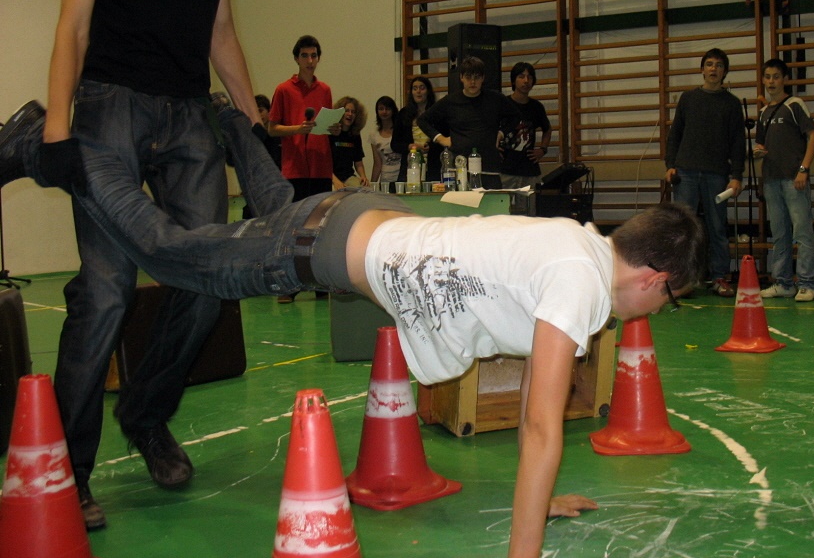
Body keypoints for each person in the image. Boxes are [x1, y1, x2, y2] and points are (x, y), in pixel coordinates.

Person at [0, 99, 704, 558]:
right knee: (167, 253)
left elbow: (532, 406)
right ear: (655, 279)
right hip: (326, 245)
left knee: (266, 214)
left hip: (355, 218)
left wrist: (541, 502)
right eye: (668, 301)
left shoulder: (578, 243)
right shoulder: (582, 286)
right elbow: (545, 427)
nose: (656, 313)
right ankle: (38, 140)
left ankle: (228, 120)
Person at [38, 0, 254, 530]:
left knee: (206, 281)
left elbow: (221, 32)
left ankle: (145, 412)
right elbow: (72, 26)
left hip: (190, 116)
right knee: (105, 293)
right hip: (110, 112)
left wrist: (251, 123)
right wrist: (59, 126)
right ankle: (67, 471)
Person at [664, 48, 746, 297]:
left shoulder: (732, 104)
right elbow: (675, 134)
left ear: (724, 72)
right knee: (683, 229)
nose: (713, 69)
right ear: (702, 69)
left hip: (717, 174)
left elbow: (738, 142)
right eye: (709, 64)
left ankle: (719, 276)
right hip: (686, 172)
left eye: (719, 65)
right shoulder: (688, 98)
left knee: (717, 228)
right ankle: (681, 280)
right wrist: (670, 165)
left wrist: (737, 175)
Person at [754, 59, 814, 302]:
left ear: (785, 79)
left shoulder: (795, 105)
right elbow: (760, 144)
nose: (771, 81)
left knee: (802, 232)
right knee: (780, 233)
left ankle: (807, 283)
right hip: (771, 180)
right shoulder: (763, 113)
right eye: (767, 77)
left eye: (776, 76)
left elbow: (813, 136)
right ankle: (783, 282)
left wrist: (803, 169)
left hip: (794, 179)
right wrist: (758, 152)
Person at [418, 56, 519, 189]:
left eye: (477, 77)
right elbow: (422, 120)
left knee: (493, 201)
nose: (472, 82)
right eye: (468, 77)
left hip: (488, 167)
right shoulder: (450, 101)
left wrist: (501, 133)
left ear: (483, 78)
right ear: (461, 77)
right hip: (460, 166)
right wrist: (441, 139)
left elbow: (516, 116)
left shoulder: (495, 99)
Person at [268, 35, 334, 201]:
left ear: (318, 58)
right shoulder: (284, 89)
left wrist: (334, 128)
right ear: (296, 59)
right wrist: (298, 129)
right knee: (296, 214)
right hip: (294, 168)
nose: (310, 61)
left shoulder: (325, 90)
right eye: (304, 56)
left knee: (320, 214)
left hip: (322, 167)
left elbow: (328, 127)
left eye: (314, 56)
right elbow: (272, 129)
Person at [501, 62, 553, 189]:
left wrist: (543, 149)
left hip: (529, 170)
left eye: (529, 77)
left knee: (531, 202)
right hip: (505, 170)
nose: (526, 81)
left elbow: (547, 129)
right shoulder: (503, 104)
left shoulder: (536, 107)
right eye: (521, 76)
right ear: (513, 81)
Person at [391, 76, 439, 184]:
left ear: (428, 91)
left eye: (422, 88)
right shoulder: (403, 114)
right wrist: (411, 146)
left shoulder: (437, 112)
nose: (418, 91)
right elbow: (395, 144)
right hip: (409, 166)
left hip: (433, 166)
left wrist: (430, 146)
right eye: (415, 88)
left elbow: (444, 139)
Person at [330, 96, 368, 189]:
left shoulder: (355, 135)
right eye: (347, 111)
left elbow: (358, 162)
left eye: (353, 112)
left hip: (348, 177)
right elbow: (323, 164)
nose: (350, 114)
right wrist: (336, 182)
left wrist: (363, 177)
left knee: (364, 190)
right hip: (330, 177)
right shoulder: (330, 133)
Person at [369, 95, 401, 185]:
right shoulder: (374, 135)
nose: (384, 112)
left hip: (402, 179)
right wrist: (372, 185)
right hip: (385, 180)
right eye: (381, 109)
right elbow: (377, 163)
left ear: (393, 110)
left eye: (387, 109)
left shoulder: (400, 131)